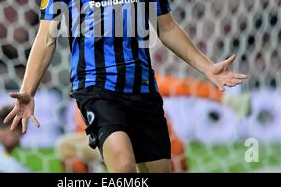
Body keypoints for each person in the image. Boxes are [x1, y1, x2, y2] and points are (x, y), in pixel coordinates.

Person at [4, 0, 247, 173]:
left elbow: (166, 27)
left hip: (143, 88)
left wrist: (206, 67)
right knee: (123, 167)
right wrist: (28, 91)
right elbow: (46, 38)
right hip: (96, 89)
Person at [55, 73, 250, 173]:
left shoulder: (136, 78)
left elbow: (182, 87)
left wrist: (225, 99)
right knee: (67, 148)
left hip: (164, 153)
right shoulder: (83, 103)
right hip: (119, 154)